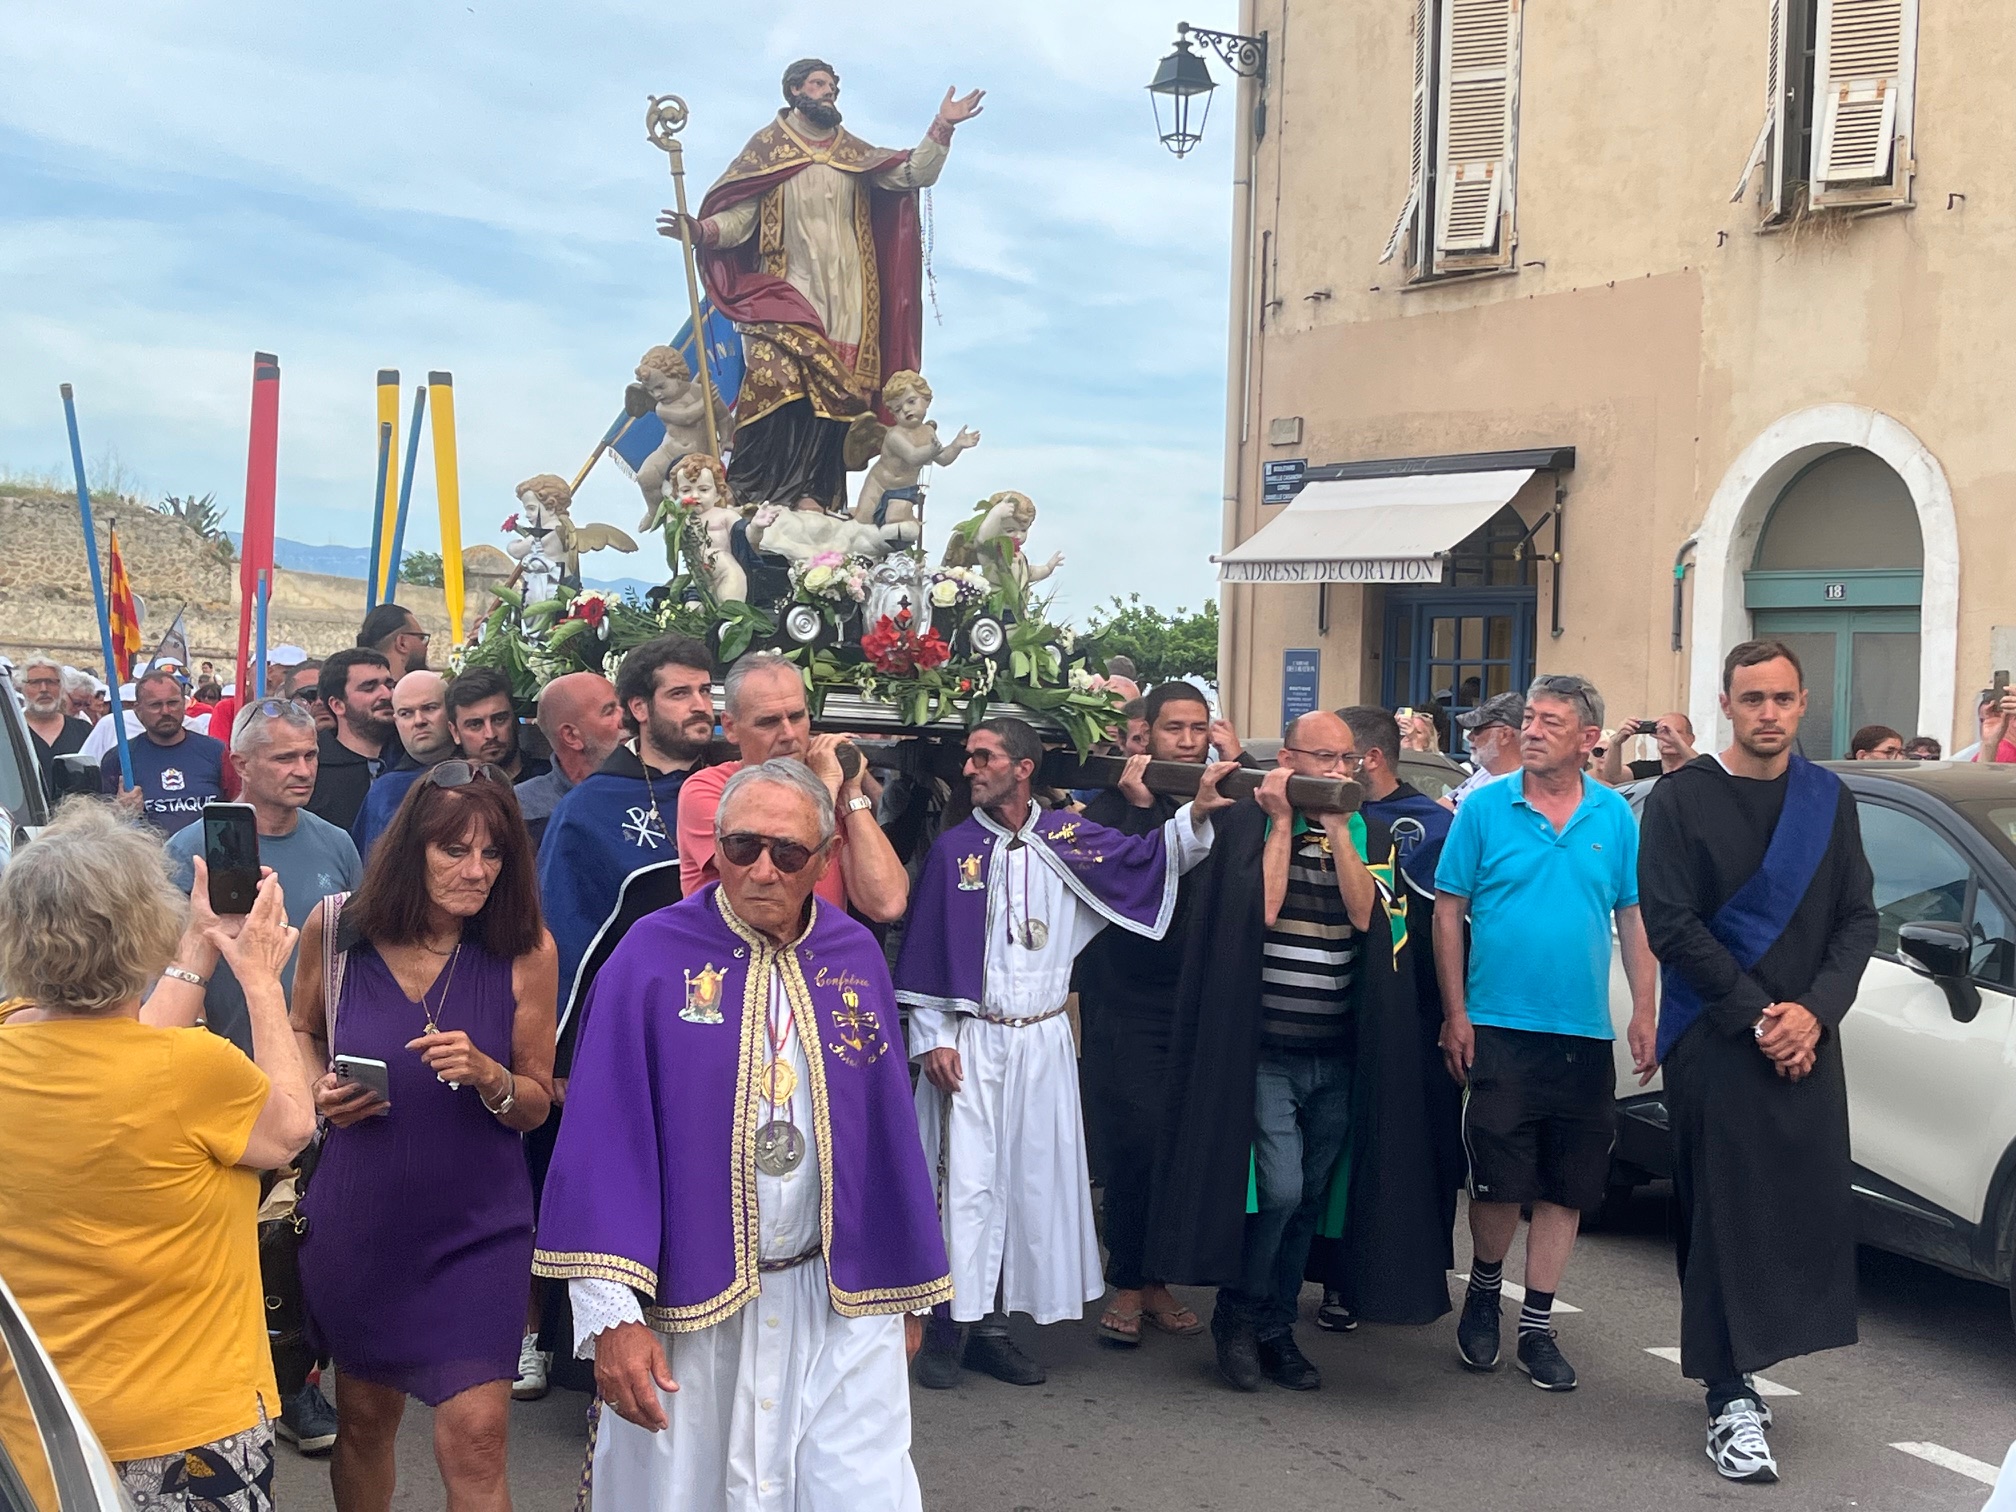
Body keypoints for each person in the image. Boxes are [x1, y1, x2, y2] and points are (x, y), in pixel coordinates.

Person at [533, 760, 950, 1508]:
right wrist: (611, 1321)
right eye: (741, 846)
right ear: (715, 849)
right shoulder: (650, 957)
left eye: (787, 852)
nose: (762, 868)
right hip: (690, 1306)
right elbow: (604, 1144)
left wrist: (903, 1292)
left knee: (861, 1493)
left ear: (823, 860)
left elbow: (888, 1134)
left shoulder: (854, 958)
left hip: (836, 1300)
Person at [0, 802, 316, 1508]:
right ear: (144, 928)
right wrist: (261, 980)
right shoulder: (193, 1072)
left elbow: (117, 1046)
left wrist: (200, 950)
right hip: (184, 1430)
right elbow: (291, 1127)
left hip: (35, 1427)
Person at [902, 718, 1234, 1388]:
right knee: (963, 1187)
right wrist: (934, 1037)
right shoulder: (955, 851)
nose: (971, 768)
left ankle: (993, 1331)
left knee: (1028, 1186)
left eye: (984, 757)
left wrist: (1194, 813)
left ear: (1024, 768)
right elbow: (929, 945)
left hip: (1045, 1039)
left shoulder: (1067, 838)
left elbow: (1148, 859)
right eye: (968, 758)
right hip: (973, 1038)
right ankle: (942, 1327)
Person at [1147, 713, 1446, 1393]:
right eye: (1325, 759)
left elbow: (1366, 914)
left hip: (1334, 1049)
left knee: (1310, 1197)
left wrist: (1340, 825)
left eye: (1348, 761)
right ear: (1287, 759)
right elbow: (1262, 909)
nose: (1339, 772)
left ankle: (1277, 1329)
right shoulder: (1251, 820)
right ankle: (1239, 1316)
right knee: (1279, 1189)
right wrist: (1283, 821)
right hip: (1269, 1050)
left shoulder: (1359, 825)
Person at [1637, 640, 1877, 1483]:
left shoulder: (1828, 798)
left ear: (1803, 703)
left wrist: (1812, 1013)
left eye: (1781, 698)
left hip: (1809, 1038)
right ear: (1726, 705)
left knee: (1795, 1211)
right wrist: (1759, 1018)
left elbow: (1858, 920)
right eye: (1752, 699)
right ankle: (1728, 1394)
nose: (1768, 713)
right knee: (1722, 1212)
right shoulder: (1679, 799)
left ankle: (1749, 1364)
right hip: (1717, 1038)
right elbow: (1671, 924)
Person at [291, 765, 557, 1511]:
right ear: (412, 850)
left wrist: (488, 1075)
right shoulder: (337, 928)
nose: (476, 871)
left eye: (494, 853)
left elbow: (537, 1102)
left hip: (478, 1230)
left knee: (476, 1435)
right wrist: (318, 1091)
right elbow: (301, 1028)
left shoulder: (525, 949)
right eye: (454, 851)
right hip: (361, 1221)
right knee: (366, 1422)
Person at [1434, 673, 1658, 1392]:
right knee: (1499, 1183)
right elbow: (1447, 910)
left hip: (1583, 1032)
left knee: (1567, 1186)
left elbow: (1633, 919)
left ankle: (1536, 1324)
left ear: (1589, 739)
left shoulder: (1614, 818)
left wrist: (1646, 1011)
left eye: (1550, 721)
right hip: (1499, 1024)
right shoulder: (1485, 809)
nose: (1531, 730)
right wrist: (1456, 1011)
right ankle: (1483, 1293)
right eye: (1528, 718)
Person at [158, 698, 360, 1453]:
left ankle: (298, 1386)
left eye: (310, 756)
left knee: (303, 1245)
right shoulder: (186, 851)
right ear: (242, 765)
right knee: (222, 1251)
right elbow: (163, 966)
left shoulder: (336, 844)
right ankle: (224, 1387)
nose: (304, 770)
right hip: (211, 1088)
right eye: (285, 758)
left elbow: (353, 952)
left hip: (308, 1080)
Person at [670, 57, 981, 512]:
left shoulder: (853, 153)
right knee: (773, 383)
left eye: (833, 85)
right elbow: (739, 217)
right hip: (783, 290)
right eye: (819, 84)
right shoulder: (766, 149)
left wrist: (942, 127)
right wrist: (701, 232)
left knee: (836, 398)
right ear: (795, 91)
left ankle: (816, 496)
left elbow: (914, 173)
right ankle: (748, 493)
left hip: (850, 294)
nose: (829, 92)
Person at [1075, 682, 1214, 1347]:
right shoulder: (1110, 806)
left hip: (1200, 999)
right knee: (1133, 1140)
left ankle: (1158, 1277)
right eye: (1174, 730)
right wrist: (1139, 813)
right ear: (1147, 735)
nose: (1187, 742)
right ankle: (1127, 1278)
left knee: (1179, 1144)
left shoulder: (1220, 799)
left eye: (1198, 729)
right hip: (1126, 1001)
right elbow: (1110, 883)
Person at [1335, 704, 1465, 1324]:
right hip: (1337, 1008)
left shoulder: (1431, 827)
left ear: (1371, 758)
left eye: (1342, 756)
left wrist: (1452, 1015)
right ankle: (1332, 1275)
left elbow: (1451, 926)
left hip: (1411, 1015)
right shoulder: (1329, 813)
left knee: (1408, 1146)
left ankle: (1401, 1275)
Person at [541, 636, 716, 1074]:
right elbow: (562, 935)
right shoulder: (588, 808)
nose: (699, 705)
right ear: (638, 709)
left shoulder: (735, 790)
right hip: (627, 1027)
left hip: (722, 1016)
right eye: (679, 694)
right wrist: (560, 1054)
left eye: (705, 691)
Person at [677, 651, 908, 924]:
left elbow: (887, 904)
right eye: (768, 722)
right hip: (728, 960)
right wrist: (826, 786)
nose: (788, 734)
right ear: (730, 727)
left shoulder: (831, 787)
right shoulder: (706, 790)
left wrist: (851, 793)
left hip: (816, 962)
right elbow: (778, 874)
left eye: (797, 717)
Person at [98, 666, 227, 833]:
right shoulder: (119, 759)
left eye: (172, 703)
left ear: (184, 704)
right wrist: (120, 812)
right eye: (155, 705)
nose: (165, 711)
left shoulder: (216, 752)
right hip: (147, 855)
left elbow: (236, 807)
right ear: (138, 710)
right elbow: (102, 826)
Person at [350, 670, 455, 862]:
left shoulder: (482, 775)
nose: (419, 721)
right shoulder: (385, 793)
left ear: (451, 711)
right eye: (406, 713)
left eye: (430, 708)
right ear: (396, 721)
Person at [514, 672, 625, 849]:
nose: (626, 719)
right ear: (571, 736)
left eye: (623, 707)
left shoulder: (650, 788)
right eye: (610, 711)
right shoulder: (523, 808)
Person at [308, 648, 397, 831]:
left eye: (389, 684)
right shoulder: (311, 768)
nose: (386, 695)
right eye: (369, 687)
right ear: (338, 705)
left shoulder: (414, 757)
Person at [448, 666, 550, 784]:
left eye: (499, 719)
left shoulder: (550, 780)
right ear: (455, 732)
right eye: (475, 724)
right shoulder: (445, 794)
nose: (490, 734)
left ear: (515, 718)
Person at [18, 655, 91, 801]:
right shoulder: (10, 732)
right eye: (35, 683)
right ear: (23, 688)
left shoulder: (84, 731)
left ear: (61, 687)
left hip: (74, 819)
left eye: (51, 682)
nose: (44, 689)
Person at [1445, 693, 1523, 805]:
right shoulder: (1484, 773)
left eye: (1478, 729)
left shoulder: (1522, 788)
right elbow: (1447, 804)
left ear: (1505, 735)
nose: (1469, 736)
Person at [357, 602, 433, 678]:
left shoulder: (352, 686)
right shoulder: (426, 688)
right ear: (402, 643)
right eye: (421, 638)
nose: (425, 646)